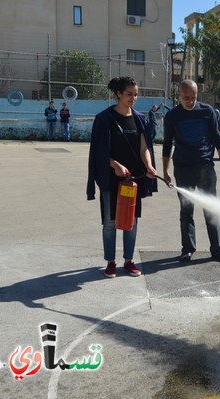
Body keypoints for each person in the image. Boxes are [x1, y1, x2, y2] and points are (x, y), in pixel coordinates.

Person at [87, 76, 158, 278]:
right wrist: (115, 164)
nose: (133, 98)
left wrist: (149, 165)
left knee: (132, 221)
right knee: (110, 222)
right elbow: (99, 152)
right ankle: (110, 262)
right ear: (118, 93)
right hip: (111, 179)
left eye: (136, 94)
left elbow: (144, 147)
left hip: (132, 180)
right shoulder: (104, 119)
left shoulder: (140, 119)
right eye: (129, 94)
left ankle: (128, 261)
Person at [162, 79, 220, 263]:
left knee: (211, 209)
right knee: (186, 210)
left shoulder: (207, 112)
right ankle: (188, 249)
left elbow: (217, 137)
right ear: (179, 96)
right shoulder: (172, 116)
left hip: (205, 167)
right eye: (186, 98)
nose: (190, 101)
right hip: (183, 168)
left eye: (193, 97)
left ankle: (217, 249)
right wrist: (165, 170)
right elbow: (167, 144)